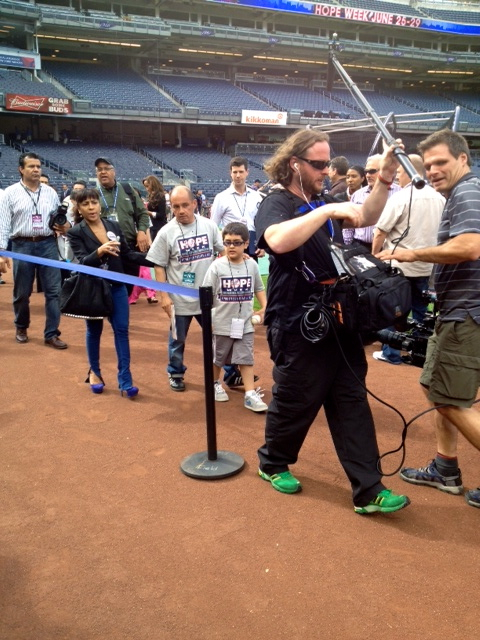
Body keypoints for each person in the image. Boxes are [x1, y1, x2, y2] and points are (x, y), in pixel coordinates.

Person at [254, 128, 411, 514]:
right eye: (319, 164)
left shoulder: (322, 199)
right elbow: (277, 240)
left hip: (339, 316)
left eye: (328, 163)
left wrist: (386, 175)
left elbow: (365, 215)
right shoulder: (276, 201)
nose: (327, 170)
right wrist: (324, 211)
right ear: (295, 163)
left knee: (351, 399)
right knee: (297, 398)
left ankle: (369, 489)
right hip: (296, 320)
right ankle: (272, 463)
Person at [376, 129, 480, 510]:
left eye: (441, 163)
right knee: (437, 389)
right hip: (457, 311)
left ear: (463, 159)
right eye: (429, 164)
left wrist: (412, 254)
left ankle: (446, 468)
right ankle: (445, 468)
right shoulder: (460, 194)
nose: (433, 170)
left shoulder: (467, 192)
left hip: (467, 314)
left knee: (448, 399)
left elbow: (470, 246)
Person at [67, 188, 153, 397]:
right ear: (79, 208)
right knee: (94, 331)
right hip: (93, 289)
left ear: (99, 204)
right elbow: (81, 262)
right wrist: (99, 251)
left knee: (122, 330)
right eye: (85, 204)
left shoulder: (113, 225)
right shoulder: (76, 232)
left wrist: (155, 259)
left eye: (94, 202)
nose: (91, 207)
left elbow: (127, 254)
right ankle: (95, 372)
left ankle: (125, 380)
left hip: (117, 287)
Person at [147, 185, 225, 392]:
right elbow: (159, 266)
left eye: (185, 205)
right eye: (175, 207)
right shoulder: (166, 232)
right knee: (177, 340)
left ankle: (231, 371)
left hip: (207, 297)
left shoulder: (209, 226)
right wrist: (164, 296)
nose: (181, 211)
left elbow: (223, 251)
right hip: (179, 298)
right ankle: (176, 373)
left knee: (219, 336)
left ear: (194, 204)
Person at [371, 154, 445, 364]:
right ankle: (417, 353)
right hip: (426, 266)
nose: (397, 177)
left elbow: (380, 231)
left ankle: (391, 353)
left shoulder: (401, 197)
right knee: (420, 312)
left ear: (409, 171)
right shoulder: (440, 198)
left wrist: (375, 256)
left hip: (398, 266)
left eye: (400, 172)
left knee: (393, 311)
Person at [0, 152, 69, 349]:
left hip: (47, 244)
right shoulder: (10, 193)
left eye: (38, 166)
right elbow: (3, 224)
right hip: (22, 245)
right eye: (31, 166)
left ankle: (51, 333)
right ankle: (21, 327)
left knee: (54, 292)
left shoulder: (50, 192)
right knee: (22, 292)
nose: (36, 170)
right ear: (21, 169)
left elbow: (57, 218)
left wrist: (63, 226)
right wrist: (2, 252)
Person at [202, 222, 268, 412]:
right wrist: (209, 320)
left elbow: (259, 288)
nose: (231, 246)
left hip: (245, 322)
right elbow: (206, 294)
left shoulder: (251, 264)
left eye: (237, 243)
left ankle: (250, 394)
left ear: (246, 244)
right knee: (218, 358)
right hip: (221, 322)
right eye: (227, 242)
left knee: (246, 358)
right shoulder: (216, 267)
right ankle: (214, 383)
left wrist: (265, 307)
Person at [95, 157, 150, 294]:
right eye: (99, 170)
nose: (103, 172)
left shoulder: (127, 189)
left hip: (129, 246)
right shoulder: (94, 194)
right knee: (108, 289)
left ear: (114, 172)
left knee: (129, 287)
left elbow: (143, 214)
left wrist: (142, 231)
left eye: (106, 169)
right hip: (107, 248)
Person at [210, 157, 264, 260]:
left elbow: (261, 224)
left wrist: (262, 245)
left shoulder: (256, 197)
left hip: (251, 247)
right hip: (231, 248)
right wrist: (221, 249)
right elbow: (213, 226)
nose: (238, 175)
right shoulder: (221, 198)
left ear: (247, 172)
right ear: (230, 173)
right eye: (235, 172)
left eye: (241, 172)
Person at [342, 154, 401, 248]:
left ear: (384, 170)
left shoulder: (399, 193)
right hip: (359, 246)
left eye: (372, 171)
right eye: (366, 172)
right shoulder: (357, 195)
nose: (368, 175)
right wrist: (348, 246)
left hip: (387, 248)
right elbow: (349, 225)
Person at [142, 175, 167, 243]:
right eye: (145, 187)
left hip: (159, 227)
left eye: (147, 186)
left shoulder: (160, 196)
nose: (147, 189)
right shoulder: (151, 196)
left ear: (153, 185)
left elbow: (161, 215)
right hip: (152, 227)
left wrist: (149, 213)